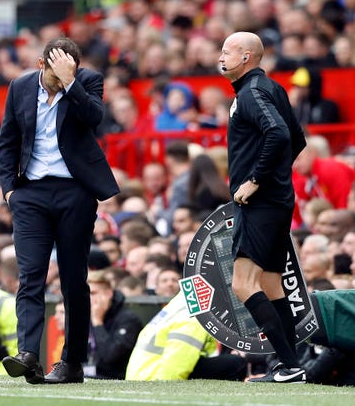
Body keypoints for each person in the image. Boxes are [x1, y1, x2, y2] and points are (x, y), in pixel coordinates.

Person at [0, 37, 119, 385]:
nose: (60, 80)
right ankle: (28, 354)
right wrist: (9, 191)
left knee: (73, 280)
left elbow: (95, 118)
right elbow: (7, 140)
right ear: (41, 64)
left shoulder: (87, 81)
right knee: (31, 274)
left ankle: (72, 362)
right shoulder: (20, 87)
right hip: (30, 193)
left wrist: (70, 82)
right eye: (55, 75)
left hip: (75, 192)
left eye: (69, 73)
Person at [218, 32, 307, 383]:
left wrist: (257, 179)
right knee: (271, 285)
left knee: (243, 284)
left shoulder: (251, 92)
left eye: (227, 51)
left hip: (261, 203)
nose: (220, 56)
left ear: (246, 57)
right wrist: (277, 175)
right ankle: (288, 365)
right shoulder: (270, 88)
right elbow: (296, 138)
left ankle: (289, 365)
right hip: (275, 201)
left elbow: (280, 135)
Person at [125, 292, 247, 381]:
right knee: (235, 364)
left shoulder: (184, 300)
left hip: (142, 373)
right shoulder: (196, 317)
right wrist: (164, 393)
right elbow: (177, 364)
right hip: (153, 378)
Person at [86, 270, 142, 379]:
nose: (88, 298)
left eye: (93, 293)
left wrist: (97, 322)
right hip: (91, 376)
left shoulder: (128, 319)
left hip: (118, 378)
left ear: (108, 294)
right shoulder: (86, 315)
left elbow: (110, 356)